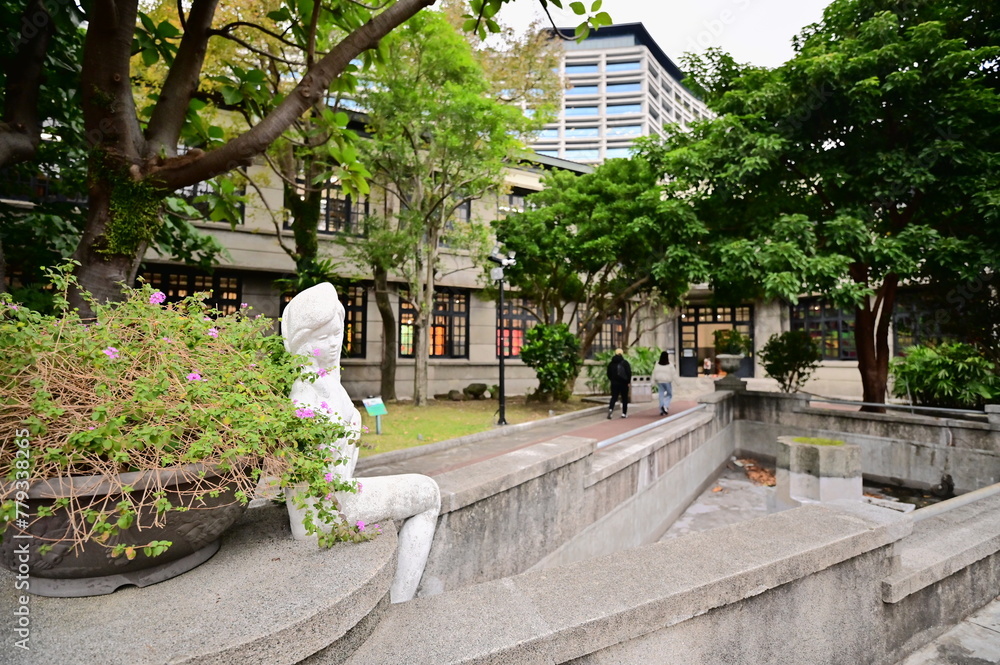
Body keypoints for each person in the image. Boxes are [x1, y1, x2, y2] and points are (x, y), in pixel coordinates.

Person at [281, 283, 440, 603]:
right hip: (324, 512)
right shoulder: (305, 398)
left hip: (335, 498)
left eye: (337, 333)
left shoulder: (329, 385)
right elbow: (317, 483)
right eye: (321, 338)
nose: (333, 344)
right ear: (300, 344)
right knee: (428, 492)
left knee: (425, 490)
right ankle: (399, 599)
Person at [606, 348, 632, 419]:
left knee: (614, 397)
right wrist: (628, 381)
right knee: (624, 398)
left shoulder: (611, 363)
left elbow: (608, 373)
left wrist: (612, 379)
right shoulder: (625, 363)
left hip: (614, 383)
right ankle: (624, 413)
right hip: (624, 383)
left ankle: (610, 409)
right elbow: (629, 373)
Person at [652, 351, 677, 416]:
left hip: (659, 382)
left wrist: (653, 382)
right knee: (669, 394)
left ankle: (661, 409)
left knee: (661, 395)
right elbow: (674, 374)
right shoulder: (670, 364)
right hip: (667, 381)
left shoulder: (657, 364)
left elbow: (654, 373)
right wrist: (678, 382)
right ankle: (665, 406)